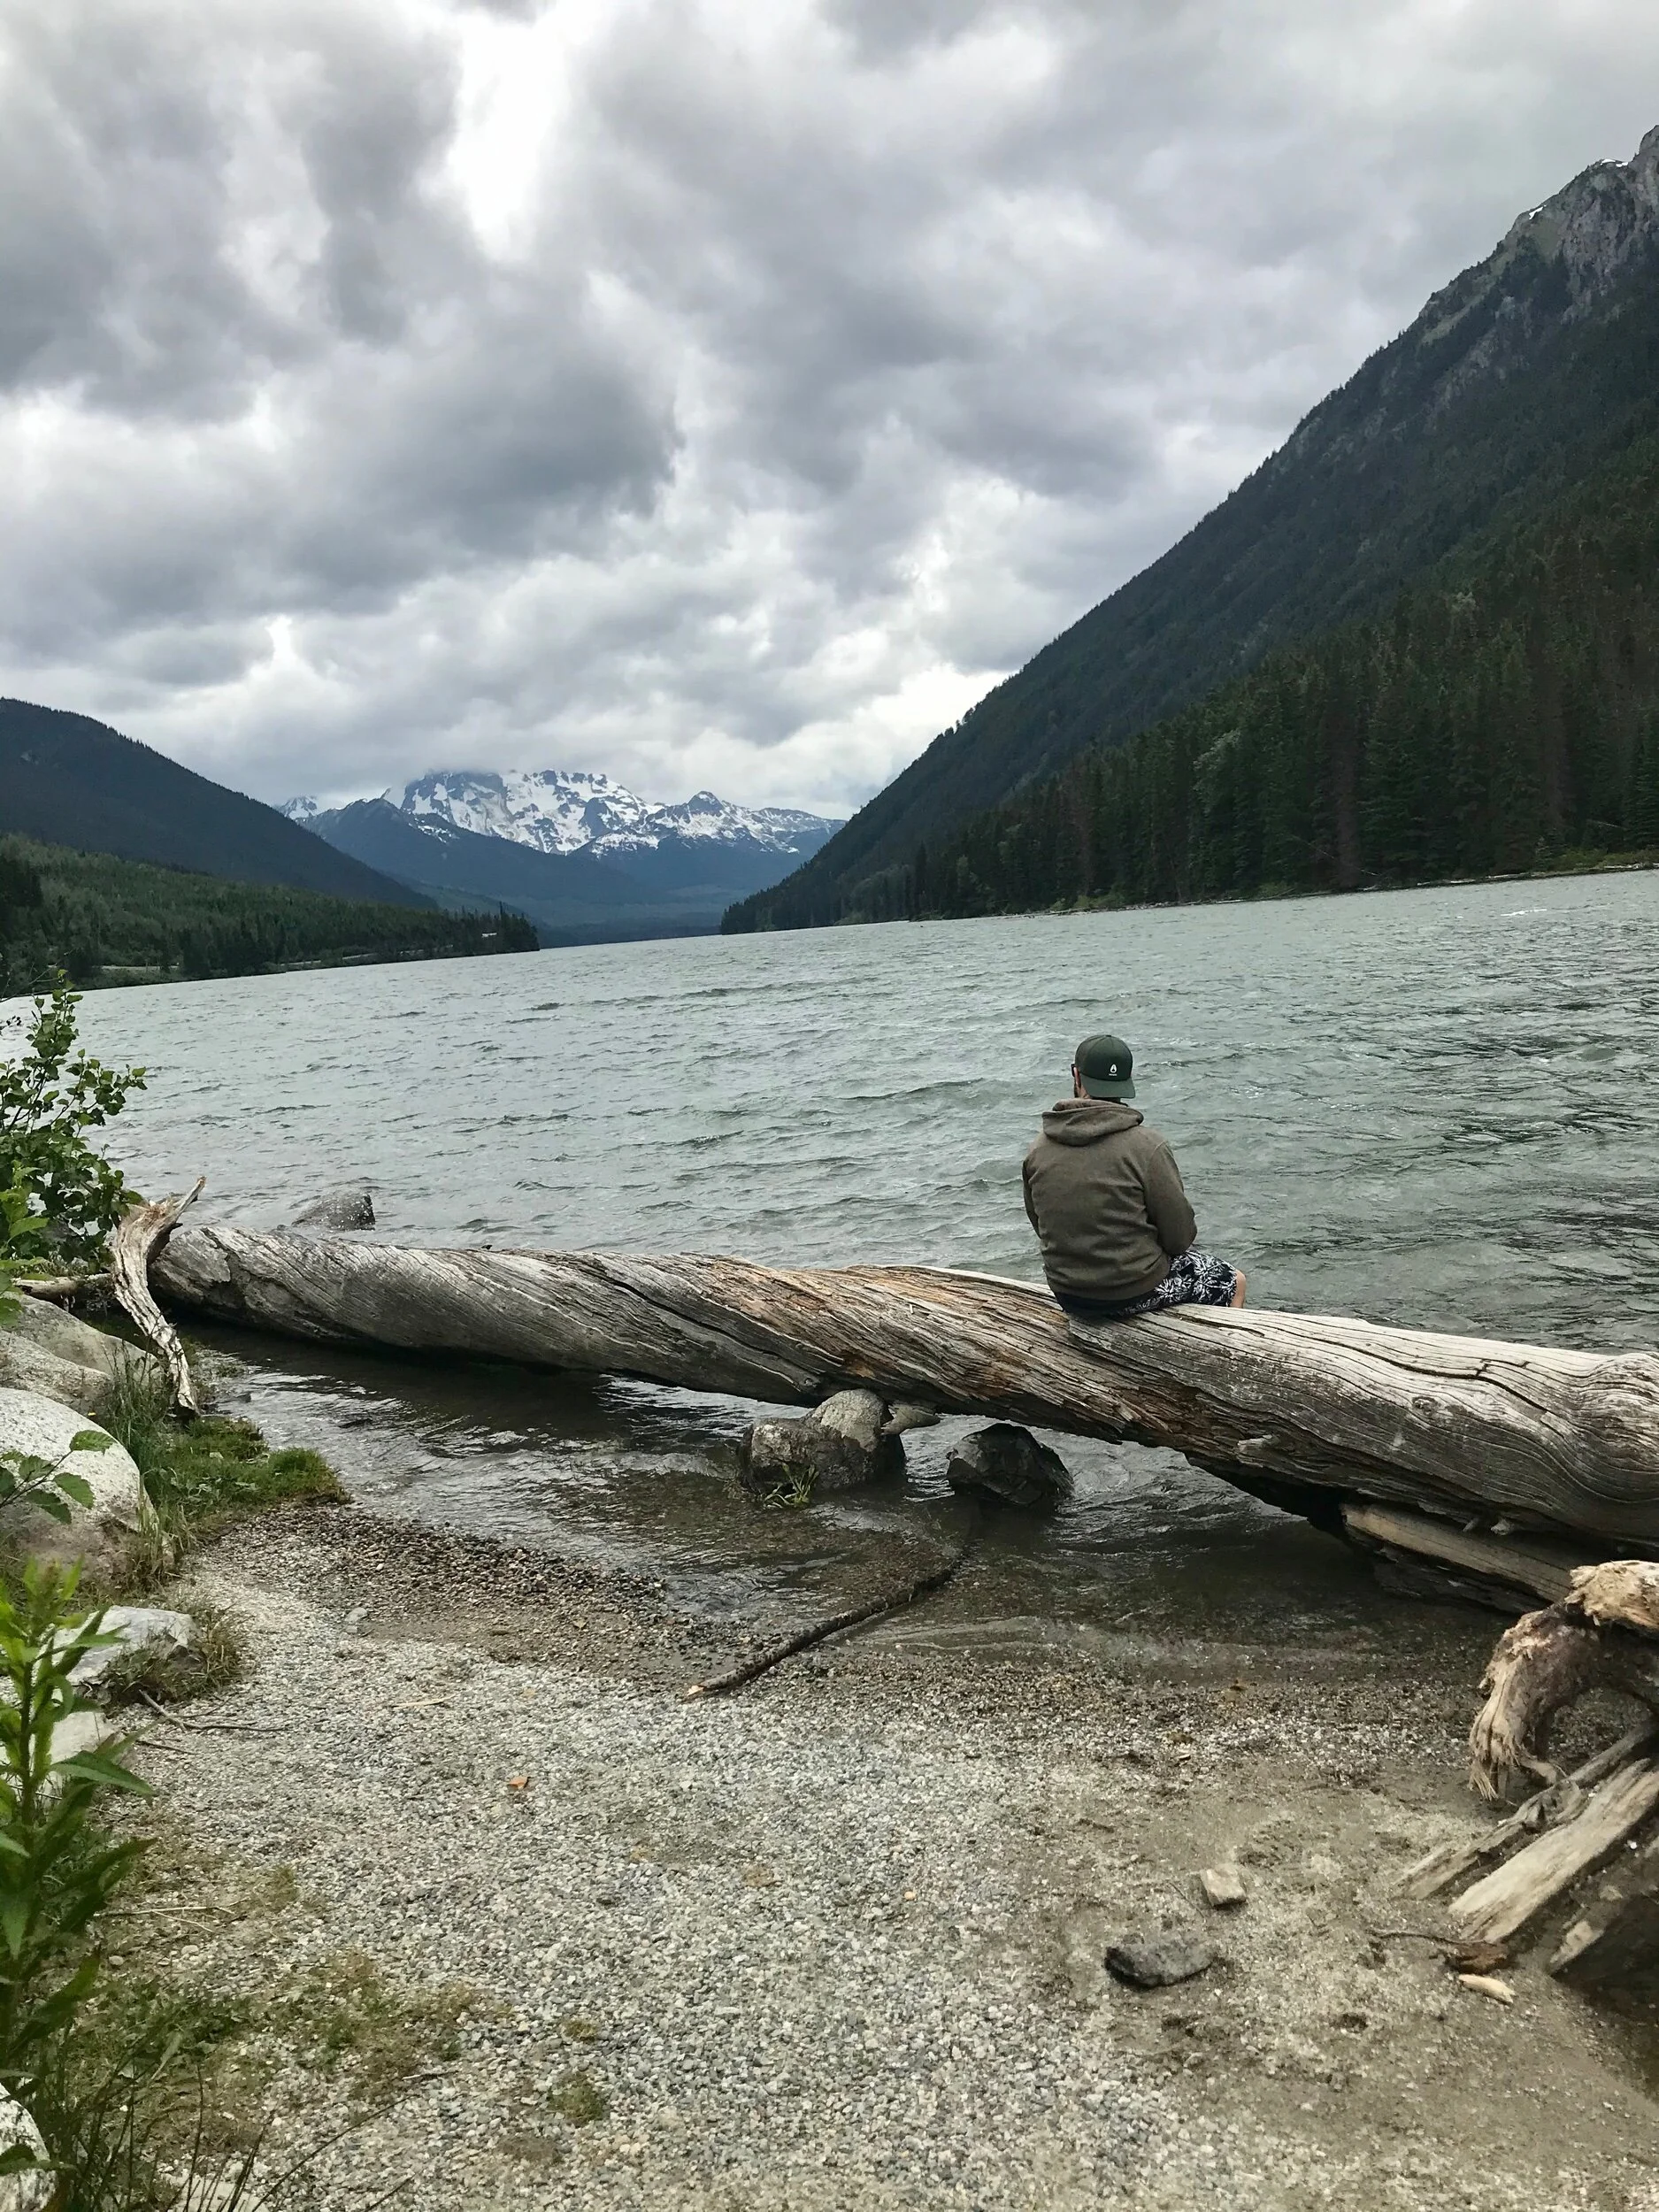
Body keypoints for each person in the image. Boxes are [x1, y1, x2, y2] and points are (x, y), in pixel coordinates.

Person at [1022, 1033, 1246, 1321]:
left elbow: (1040, 1225)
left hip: (1067, 1293)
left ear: (1077, 1076)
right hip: (1128, 1293)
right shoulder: (1147, 1146)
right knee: (1233, 1280)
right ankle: (1228, 1353)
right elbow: (1180, 1238)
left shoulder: (1038, 1148)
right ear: (1126, 1083)